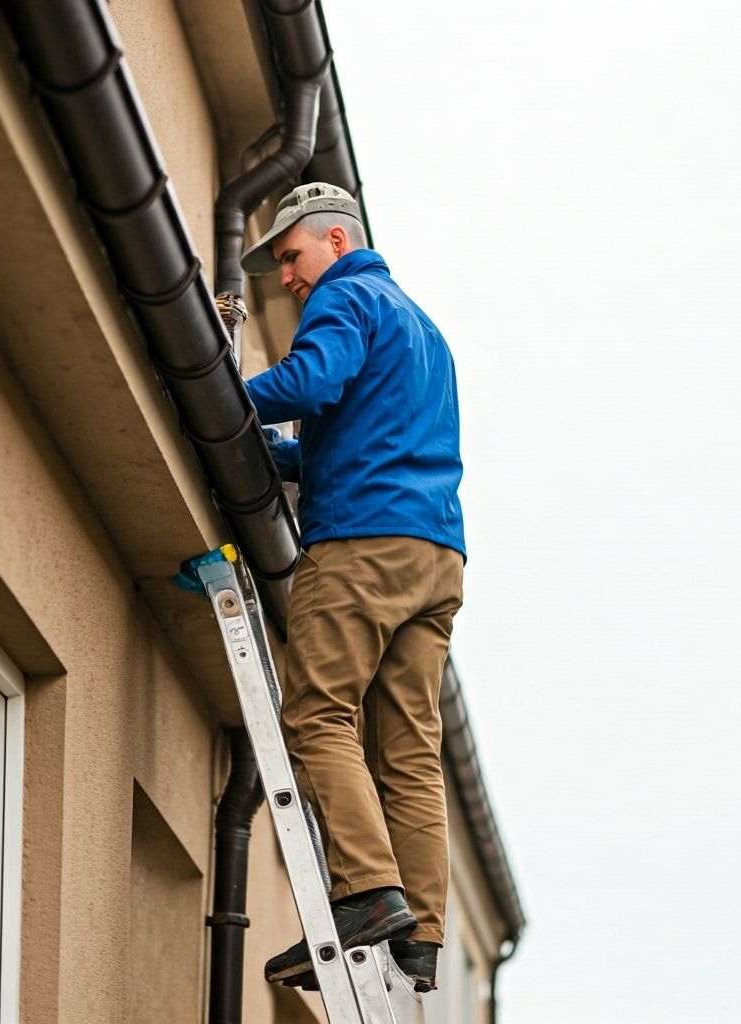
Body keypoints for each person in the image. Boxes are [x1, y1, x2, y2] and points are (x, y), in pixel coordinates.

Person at [239, 182, 466, 993]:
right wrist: (291, 458)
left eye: (291, 258)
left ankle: (367, 893)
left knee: (320, 715)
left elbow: (306, 384)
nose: (288, 279)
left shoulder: (347, 297)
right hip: (435, 556)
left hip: (362, 546)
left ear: (335, 240)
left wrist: (220, 396)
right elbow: (368, 435)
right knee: (410, 748)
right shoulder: (422, 327)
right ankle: (423, 935)